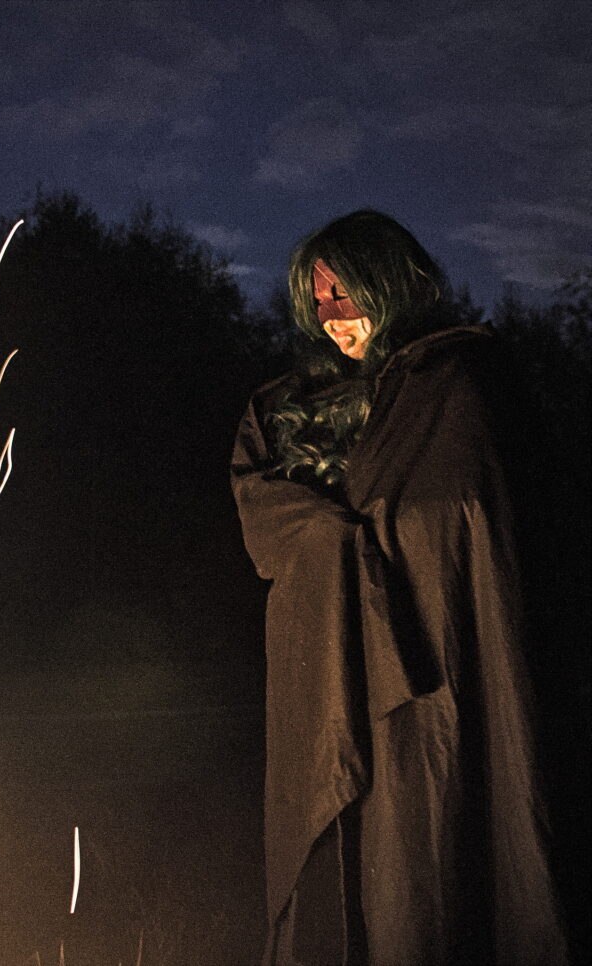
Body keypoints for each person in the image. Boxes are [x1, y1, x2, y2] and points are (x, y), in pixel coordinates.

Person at [230, 210, 569, 966]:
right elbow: (263, 513)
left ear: (390, 285)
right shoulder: (287, 409)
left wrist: (378, 537)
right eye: (316, 301)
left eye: (345, 294)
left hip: (434, 670)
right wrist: (330, 539)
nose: (331, 317)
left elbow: (470, 517)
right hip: (324, 669)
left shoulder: (460, 384)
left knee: (425, 857)